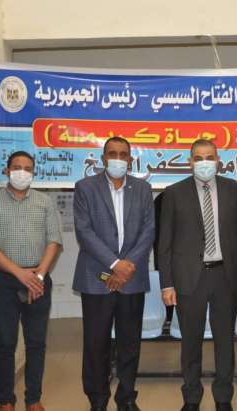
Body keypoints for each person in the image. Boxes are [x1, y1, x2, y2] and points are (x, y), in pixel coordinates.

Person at [158, 139, 237, 411]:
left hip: (226, 276)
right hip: (189, 278)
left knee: (225, 342)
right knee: (190, 342)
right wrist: (167, 283)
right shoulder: (173, 193)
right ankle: (191, 397)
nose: (204, 163)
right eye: (198, 158)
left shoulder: (235, 190)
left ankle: (223, 397)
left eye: (209, 157)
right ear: (190, 162)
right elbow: (164, 243)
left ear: (218, 160)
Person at [73, 137, 155, 411]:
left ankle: (126, 397)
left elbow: (148, 231)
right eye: (112, 153)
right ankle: (97, 400)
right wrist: (115, 263)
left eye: (123, 154)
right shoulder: (85, 187)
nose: (118, 158)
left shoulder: (143, 189)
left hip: (131, 277)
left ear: (130, 160)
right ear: (103, 158)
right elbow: (84, 232)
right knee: (96, 344)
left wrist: (126, 265)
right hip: (97, 277)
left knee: (129, 343)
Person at [0, 151, 63, 411]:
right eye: (17, 167)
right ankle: (6, 399)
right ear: (6, 171)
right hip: (3, 281)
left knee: (36, 343)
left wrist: (38, 276)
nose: (22, 172)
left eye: (27, 168)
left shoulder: (45, 202)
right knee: (6, 342)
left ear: (33, 173)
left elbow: (54, 241)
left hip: (38, 278)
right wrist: (20, 274)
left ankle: (33, 399)